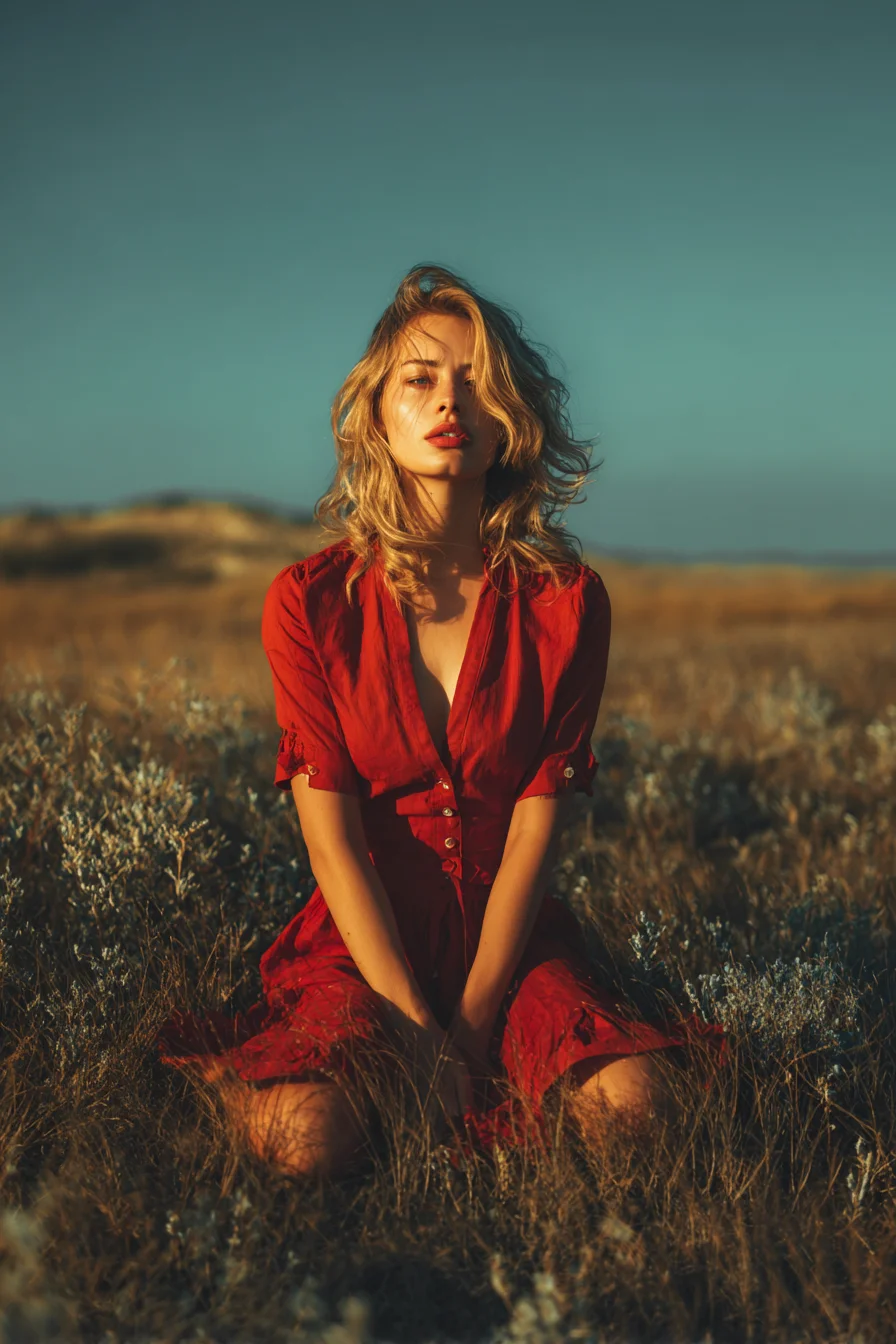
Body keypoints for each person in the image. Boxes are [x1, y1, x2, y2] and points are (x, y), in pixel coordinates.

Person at [157, 264, 726, 1177]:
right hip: (361, 944)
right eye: (420, 378)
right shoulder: (310, 603)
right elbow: (332, 845)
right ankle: (244, 1085)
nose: (448, 400)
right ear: (376, 410)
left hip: (509, 937)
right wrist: (414, 1032)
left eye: (475, 381)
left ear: (509, 418)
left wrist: (468, 1027)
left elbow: (539, 831)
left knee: (639, 1115)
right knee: (307, 1142)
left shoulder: (567, 604)